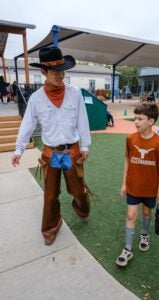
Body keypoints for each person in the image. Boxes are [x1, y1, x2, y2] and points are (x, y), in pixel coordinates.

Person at [11, 46, 91, 246]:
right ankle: (51, 228)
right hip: (50, 153)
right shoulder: (36, 99)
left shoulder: (75, 93)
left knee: (78, 191)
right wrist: (19, 149)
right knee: (50, 196)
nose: (60, 75)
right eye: (55, 72)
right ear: (43, 72)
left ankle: (83, 210)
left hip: (72, 151)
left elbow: (83, 120)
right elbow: (27, 124)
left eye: (62, 71)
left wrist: (85, 145)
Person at [116, 103, 159, 267]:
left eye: (140, 119)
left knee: (147, 212)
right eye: (135, 118)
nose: (136, 122)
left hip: (150, 189)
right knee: (131, 215)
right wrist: (124, 183)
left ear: (151, 121)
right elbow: (127, 160)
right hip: (133, 186)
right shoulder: (130, 138)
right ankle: (127, 249)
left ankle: (145, 233)